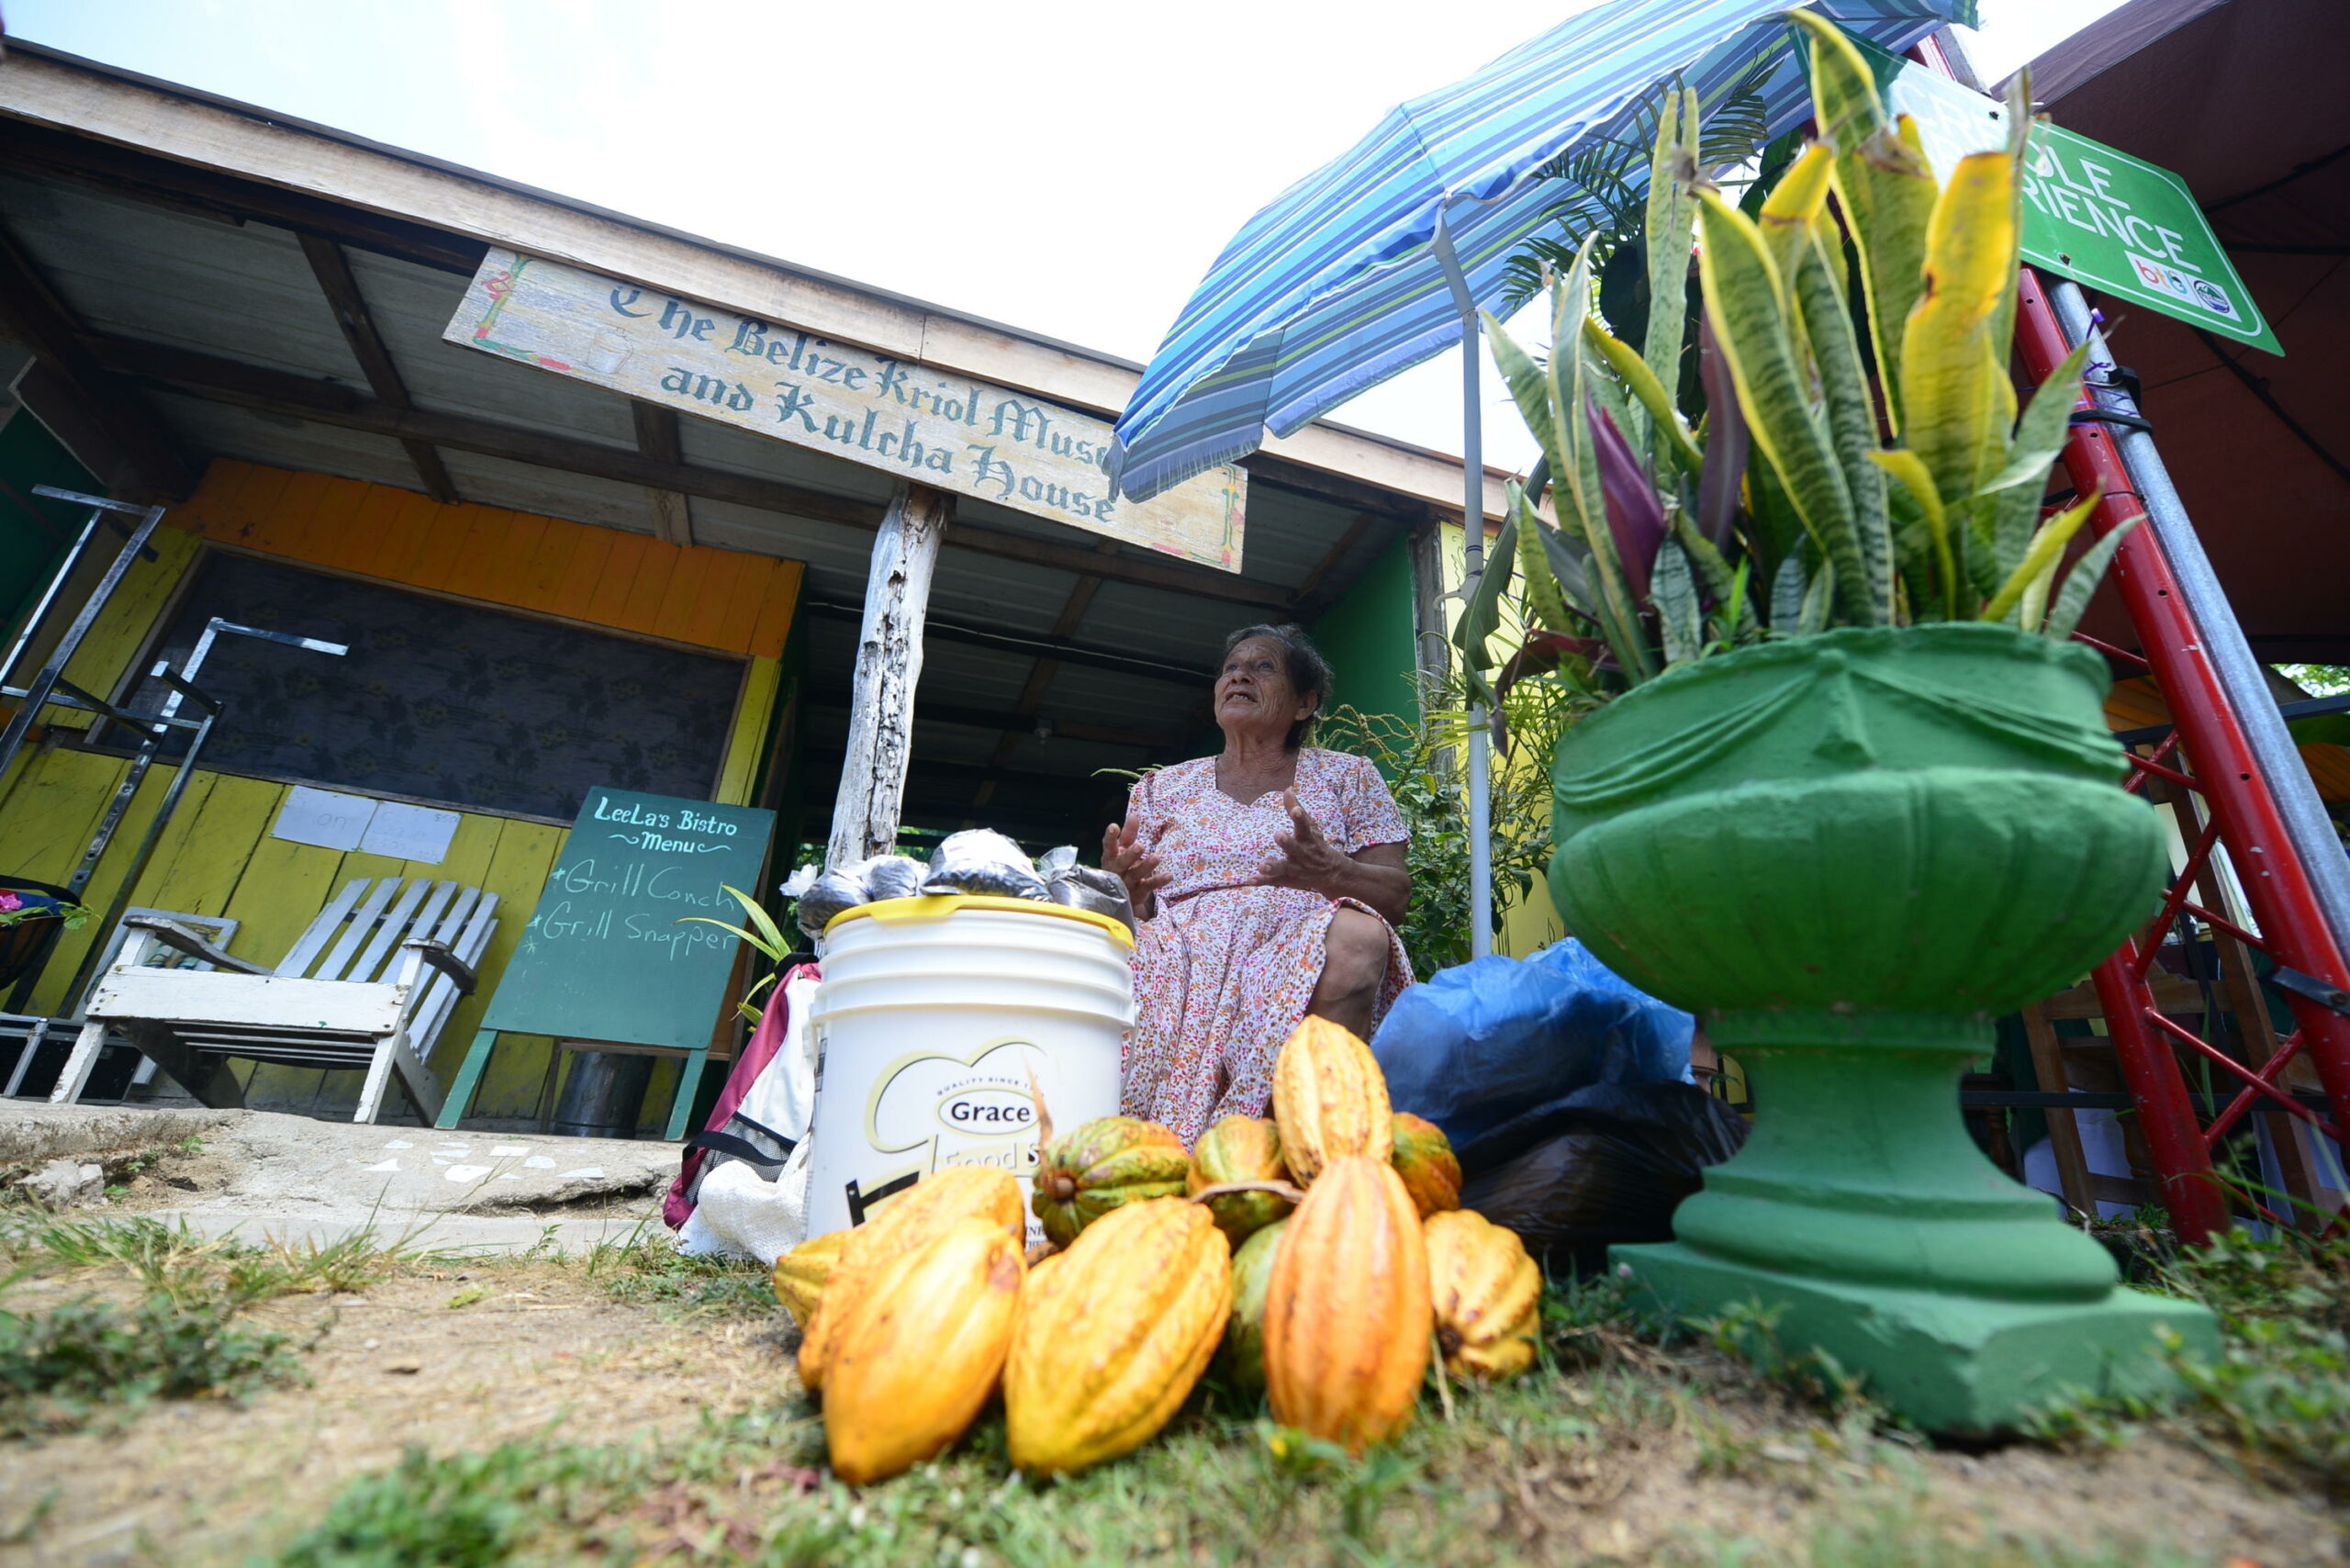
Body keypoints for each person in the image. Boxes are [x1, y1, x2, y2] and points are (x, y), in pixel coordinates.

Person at [1102, 623, 1413, 1146]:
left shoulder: (1349, 777)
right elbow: (1131, 907)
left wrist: (1330, 872)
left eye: (1263, 666)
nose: (1239, 675)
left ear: (1304, 704)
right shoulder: (1163, 786)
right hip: (1178, 955)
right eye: (1231, 668)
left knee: (1361, 935)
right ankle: (1123, 1150)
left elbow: (1395, 896)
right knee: (1102, 955)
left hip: (1299, 944)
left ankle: (1300, 1144)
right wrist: (1125, 894)